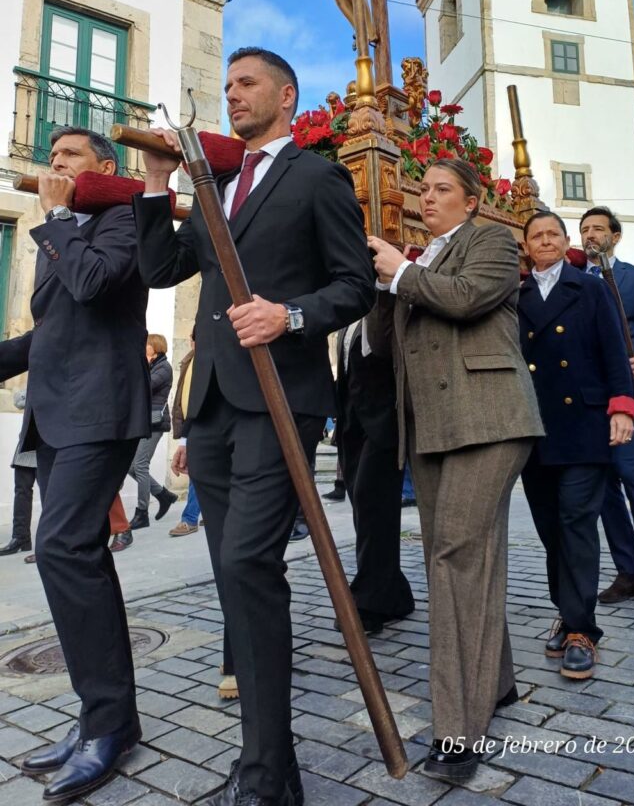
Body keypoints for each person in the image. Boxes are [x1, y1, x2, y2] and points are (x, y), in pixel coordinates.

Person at [134, 46, 374, 806]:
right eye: (228, 84)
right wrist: (156, 184)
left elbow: (356, 285)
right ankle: (265, 761)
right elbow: (161, 270)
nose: (232, 94)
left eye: (247, 83)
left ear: (286, 94)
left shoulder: (316, 176)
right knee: (234, 572)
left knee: (246, 563)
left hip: (281, 396)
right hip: (212, 404)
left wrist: (290, 315)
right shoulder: (219, 185)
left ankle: (270, 770)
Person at [367, 158, 544, 783]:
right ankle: (496, 681)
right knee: (464, 555)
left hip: (490, 418)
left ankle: (458, 730)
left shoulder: (490, 240)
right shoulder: (417, 259)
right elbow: (385, 348)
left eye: (443, 189)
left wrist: (403, 272)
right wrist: (381, 285)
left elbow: (468, 300)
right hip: (431, 427)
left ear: (470, 202)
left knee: (453, 557)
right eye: (424, 189)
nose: (429, 197)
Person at [0, 126, 150, 802]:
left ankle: (108, 724)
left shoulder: (123, 219)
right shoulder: (66, 231)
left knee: (60, 547)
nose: (54, 163)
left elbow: (91, 285)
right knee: (76, 554)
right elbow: (52, 331)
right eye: (51, 155)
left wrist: (57, 216)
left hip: (100, 410)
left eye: (69, 156)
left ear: (104, 166)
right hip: (58, 412)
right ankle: (105, 718)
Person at [518, 212, 634, 681]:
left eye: (553, 233)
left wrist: (622, 407)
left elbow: (615, 350)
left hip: (585, 425)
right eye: (536, 235)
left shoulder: (590, 288)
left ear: (566, 240)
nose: (545, 240)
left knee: (576, 523)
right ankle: (567, 614)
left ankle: (582, 630)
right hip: (534, 428)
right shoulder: (516, 295)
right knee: (551, 528)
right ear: (526, 246)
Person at [579, 206, 634, 612]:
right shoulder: (576, 281)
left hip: (630, 396)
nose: (590, 235)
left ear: (615, 236)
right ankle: (628, 571)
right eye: (584, 229)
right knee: (604, 490)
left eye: (598, 229)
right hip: (589, 400)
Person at [335, 318, 414, 635]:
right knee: (363, 508)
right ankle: (395, 593)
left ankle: (370, 604)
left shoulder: (386, 308)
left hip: (384, 424)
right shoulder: (347, 320)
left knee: (372, 505)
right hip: (351, 423)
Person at [127, 334, 177, 529]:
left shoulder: (164, 368)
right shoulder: (153, 366)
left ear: (155, 347)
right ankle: (163, 495)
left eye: (147, 344)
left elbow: (144, 387)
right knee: (131, 466)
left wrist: (142, 366)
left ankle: (142, 513)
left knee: (140, 464)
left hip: (155, 423)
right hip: (145, 422)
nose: (144, 346)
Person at [169, 329, 201, 536]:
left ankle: (190, 518)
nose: (192, 342)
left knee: (200, 472)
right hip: (193, 426)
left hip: (207, 424)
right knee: (197, 472)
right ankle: (190, 518)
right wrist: (184, 439)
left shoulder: (205, 361)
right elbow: (184, 401)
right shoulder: (189, 361)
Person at [0, 390, 37, 557]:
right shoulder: (36, 381)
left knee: (50, 495)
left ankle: (51, 545)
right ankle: (21, 538)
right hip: (28, 441)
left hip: (50, 443)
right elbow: (18, 401)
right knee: (21, 491)